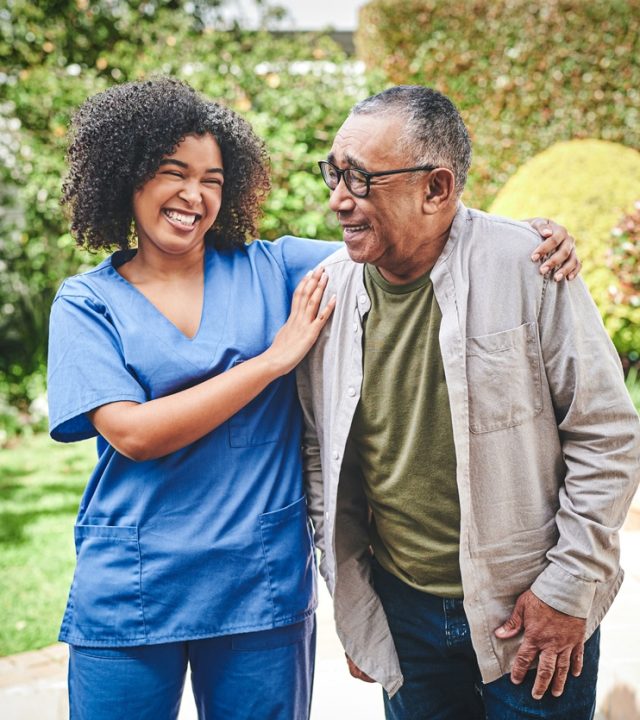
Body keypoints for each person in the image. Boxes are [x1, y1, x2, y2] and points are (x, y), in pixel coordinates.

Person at [47, 76, 578, 720]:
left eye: (213, 179)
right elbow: (131, 433)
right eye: (172, 172)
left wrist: (525, 238)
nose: (194, 195)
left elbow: (416, 232)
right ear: (126, 178)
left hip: (257, 589)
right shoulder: (87, 303)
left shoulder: (280, 268)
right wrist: (273, 362)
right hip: (132, 590)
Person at [297, 85, 640, 720]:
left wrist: (567, 589)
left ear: (437, 188)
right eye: (335, 172)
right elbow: (323, 454)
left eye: (361, 178)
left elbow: (608, 435)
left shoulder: (529, 265)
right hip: (404, 615)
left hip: (532, 611)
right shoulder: (327, 293)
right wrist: (358, 607)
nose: (337, 199)